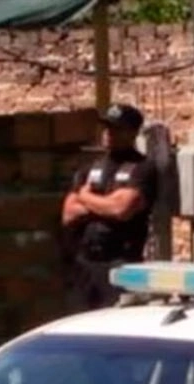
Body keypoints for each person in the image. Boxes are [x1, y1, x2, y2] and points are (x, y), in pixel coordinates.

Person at [60, 103, 159, 309]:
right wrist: (104, 204)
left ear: (132, 133)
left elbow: (121, 209)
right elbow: (69, 212)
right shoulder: (90, 168)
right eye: (107, 127)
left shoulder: (142, 169)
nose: (108, 133)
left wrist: (86, 196)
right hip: (85, 264)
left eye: (116, 128)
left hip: (121, 265)